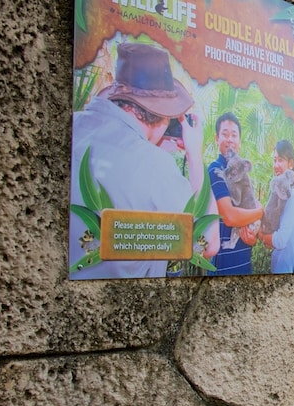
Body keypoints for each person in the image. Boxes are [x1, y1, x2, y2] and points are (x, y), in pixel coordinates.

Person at [70, 42, 218, 279]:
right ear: (162, 116)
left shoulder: (74, 124)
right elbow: (207, 242)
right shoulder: (155, 166)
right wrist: (194, 156)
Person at [207, 112, 263, 275]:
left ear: (239, 141)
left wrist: (253, 236)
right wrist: (259, 211)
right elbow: (230, 217)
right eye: (225, 134)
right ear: (217, 138)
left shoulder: (242, 171)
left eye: (234, 135)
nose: (230, 139)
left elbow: (251, 212)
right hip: (223, 266)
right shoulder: (216, 170)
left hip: (244, 262)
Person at [258, 140, 294, 273]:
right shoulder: (279, 194)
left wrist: (260, 235)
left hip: (289, 270)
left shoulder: (293, 195)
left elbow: (280, 240)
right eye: (274, 160)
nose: (276, 165)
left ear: (291, 164)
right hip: (279, 266)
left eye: (281, 160)